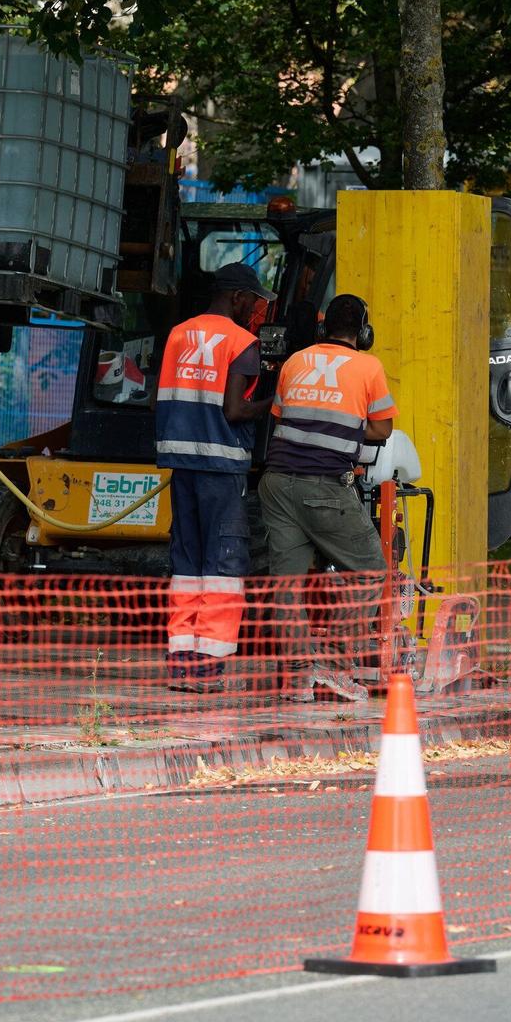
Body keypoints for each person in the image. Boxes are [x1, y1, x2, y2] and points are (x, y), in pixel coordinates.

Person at [258, 293, 397, 701]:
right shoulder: (369, 366)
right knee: (371, 568)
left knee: (286, 585)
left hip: (277, 484)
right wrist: (352, 427)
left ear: (323, 328)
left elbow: (285, 417)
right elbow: (383, 429)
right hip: (323, 485)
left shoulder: (294, 362)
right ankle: (335, 666)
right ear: (363, 333)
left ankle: (299, 676)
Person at [155, 262, 274, 692]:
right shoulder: (242, 341)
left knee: (186, 565)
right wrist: (273, 403)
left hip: (181, 464)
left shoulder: (178, 333)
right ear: (237, 297)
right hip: (221, 468)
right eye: (253, 301)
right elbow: (235, 410)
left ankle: (181, 662)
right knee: (222, 566)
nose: (255, 310)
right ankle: (207, 668)